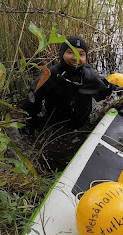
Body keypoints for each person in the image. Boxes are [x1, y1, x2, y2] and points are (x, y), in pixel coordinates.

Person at [20, 36, 118, 170]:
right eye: (70, 52)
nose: (75, 57)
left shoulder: (89, 76)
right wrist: (30, 123)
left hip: (81, 124)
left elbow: (107, 92)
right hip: (54, 123)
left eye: (81, 54)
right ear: (62, 54)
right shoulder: (49, 75)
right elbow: (32, 98)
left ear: (85, 57)